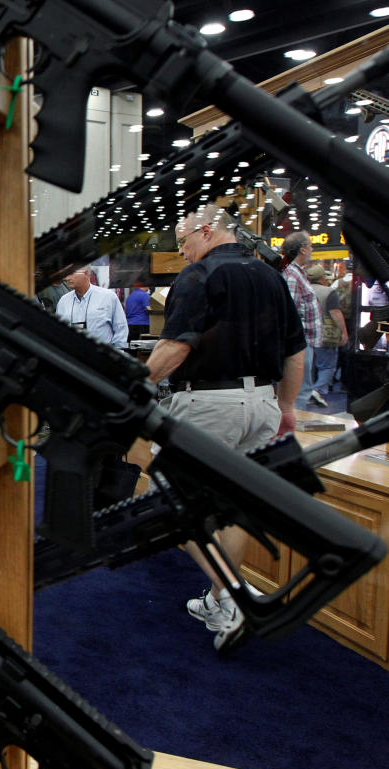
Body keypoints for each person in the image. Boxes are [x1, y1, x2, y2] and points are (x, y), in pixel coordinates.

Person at [146, 204, 304, 651]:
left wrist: (135, 386)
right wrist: (287, 406)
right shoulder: (272, 277)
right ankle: (221, 598)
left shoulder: (198, 278)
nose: (182, 251)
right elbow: (296, 350)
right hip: (262, 404)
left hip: (210, 404)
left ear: (208, 230)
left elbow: (175, 346)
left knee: (172, 501)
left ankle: (234, 597)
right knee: (234, 506)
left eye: (183, 241)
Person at [279, 232, 325, 408]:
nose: (312, 249)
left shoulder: (296, 273)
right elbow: (290, 313)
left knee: (301, 388)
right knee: (299, 390)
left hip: (302, 342)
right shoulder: (291, 274)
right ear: (303, 249)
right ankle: (293, 428)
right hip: (300, 343)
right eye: (310, 246)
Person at [55, 265, 129, 347]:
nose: (67, 278)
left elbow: (120, 328)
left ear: (86, 273)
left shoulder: (108, 297)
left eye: (71, 273)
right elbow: (59, 330)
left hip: (101, 356)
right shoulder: (63, 301)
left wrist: (116, 353)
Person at [307, 264, 347, 398]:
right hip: (325, 333)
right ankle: (318, 390)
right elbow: (335, 313)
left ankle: (308, 390)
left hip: (305, 332)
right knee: (327, 365)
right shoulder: (329, 292)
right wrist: (344, 333)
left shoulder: (303, 289)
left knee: (310, 365)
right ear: (322, 277)